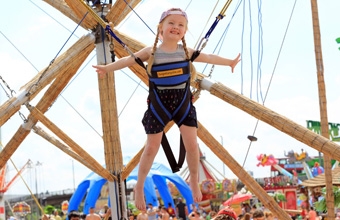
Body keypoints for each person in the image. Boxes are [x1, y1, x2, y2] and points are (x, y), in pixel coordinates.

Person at [92, 8, 240, 211]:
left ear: (185, 31)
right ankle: (139, 186)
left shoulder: (186, 52)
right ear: (160, 28)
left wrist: (229, 62)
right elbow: (128, 60)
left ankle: (194, 180)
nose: (176, 27)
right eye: (171, 23)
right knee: (151, 147)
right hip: (159, 103)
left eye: (181, 25)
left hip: (182, 103)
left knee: (193, 145)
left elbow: (208, 56)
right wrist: (107, 68)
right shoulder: (151, 52)